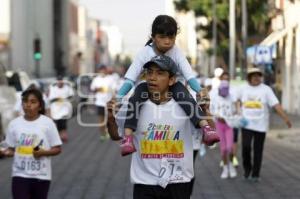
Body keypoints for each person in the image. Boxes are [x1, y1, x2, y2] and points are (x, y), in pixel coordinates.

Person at [107, 55, 209, 199]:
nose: (152, 78)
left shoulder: (186, 106)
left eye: (160, 73)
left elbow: (209, 132)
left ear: (172, 80)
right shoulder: (134, 106)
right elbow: (115, 135)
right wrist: (110, 119)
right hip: (145, 182)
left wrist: (206, 110)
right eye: (149, 72)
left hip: (178, 181)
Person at [117, 15, 217, 156]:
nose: (167, 41)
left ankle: (206, 129)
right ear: (153, 37)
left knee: (185, 96)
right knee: (135, 98)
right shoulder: (144, 53)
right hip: (149, 86)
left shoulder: (176, 51)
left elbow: (189, 76)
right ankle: (127, 138)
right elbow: (130, 80)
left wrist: (200, 90)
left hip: (172, 85)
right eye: (162, 37)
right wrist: (118, 97)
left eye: (171, 37)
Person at [0, 88, 62, 199]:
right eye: (25, 101)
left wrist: (43, 152)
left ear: (40, 106)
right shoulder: (14, 124)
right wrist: (4, 152)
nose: (28, 105)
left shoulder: (48, 123)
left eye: (33, 102)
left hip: (41, 176)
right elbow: (11, 150)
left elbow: (57, 149)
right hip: (19, 175)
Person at [237, 67, 292, 182]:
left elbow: (275, 104)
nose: (257, 78)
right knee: (246, 147)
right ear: (249, 78)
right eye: (254, 75)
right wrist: (238, 112)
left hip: (261, 125)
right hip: (246, 124)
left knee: (258, 149)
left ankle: (255, 174)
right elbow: (236, 101)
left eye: (258, 75)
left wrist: (285, 118)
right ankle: (247, 169)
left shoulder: (266, 89)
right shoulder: (243, 89)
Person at [210, 80, 237, 179]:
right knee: (223, 149)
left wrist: (233, 116)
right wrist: (217, 116)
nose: (225, 92)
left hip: (229, 125)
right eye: (223, 89)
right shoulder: (215, 98)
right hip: (219, 125)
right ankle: (225, 168)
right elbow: (211, 111)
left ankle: (231, 166)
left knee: (230, 148)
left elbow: (234, 111)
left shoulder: (231, 97)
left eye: (226, 89)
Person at [90, 65, 115, 141]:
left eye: (104, 70)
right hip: (100, 102)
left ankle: (110, 132)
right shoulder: (96, 79)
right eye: (101, 70)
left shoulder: (111, 79)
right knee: (101, 120)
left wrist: (113, 98)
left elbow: (115, 90)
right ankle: (103, 135)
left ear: (106, 70)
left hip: (109, 103)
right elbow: (92, 89)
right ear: (99, 71)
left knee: (110, 119)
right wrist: (97, 89)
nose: (102, 72)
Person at [48, 76, 74, 142]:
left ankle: (64, 136)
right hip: (56, 109)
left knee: (63, 122)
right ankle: (60, 135)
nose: (60, 83)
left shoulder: (67, 88)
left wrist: (66, 98)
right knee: (58, 123)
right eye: (58, 82)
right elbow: (51, 99)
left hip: (65, 109)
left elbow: (71, 95)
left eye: (61, 82)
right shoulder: (53, 88)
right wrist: (57, 99)